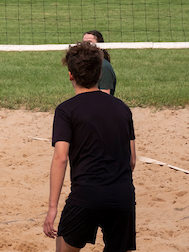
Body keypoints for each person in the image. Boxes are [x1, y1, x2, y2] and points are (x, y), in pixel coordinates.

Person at [43, 41, 136, 252]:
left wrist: (52, 208)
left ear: (70, 75)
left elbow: (61, 158)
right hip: (122, 196)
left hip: (86, 196)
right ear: (99, 74)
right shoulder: (122, 108)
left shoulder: (66, 110)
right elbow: (131, 160)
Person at [82, 30, 116, 96]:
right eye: (84, 43)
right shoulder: (86, 65)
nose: (86, 46)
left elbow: (105, 97)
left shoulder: (104, 67)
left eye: (90, 42)